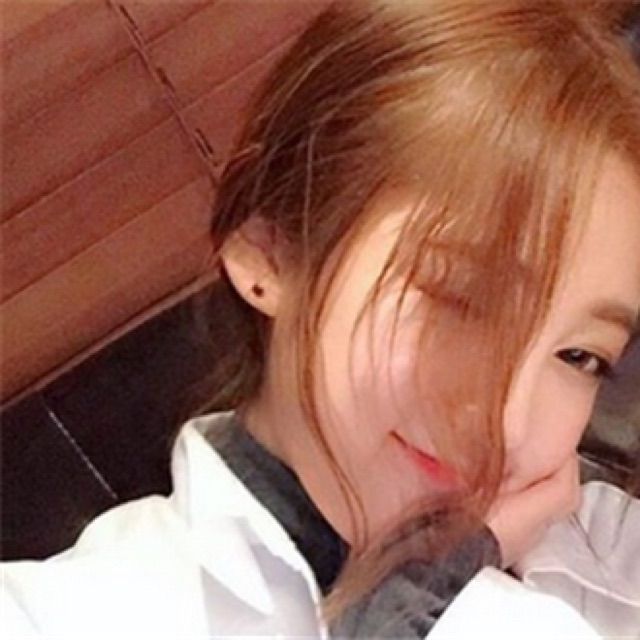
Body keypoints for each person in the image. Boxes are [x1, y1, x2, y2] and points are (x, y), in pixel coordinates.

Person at [3, 0, 640, 637]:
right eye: (460, 296)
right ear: (270, 250)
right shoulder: (59, 617)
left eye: (581, 356)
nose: (509, 425)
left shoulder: (611, 554)